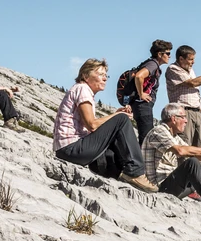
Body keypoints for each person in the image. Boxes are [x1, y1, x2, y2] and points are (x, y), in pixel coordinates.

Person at [52, 59, 158, 192]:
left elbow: (92, 126)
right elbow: (92, 125)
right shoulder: (82, 89)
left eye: (106, 75)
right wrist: (117, 116)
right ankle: (135, 172)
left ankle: (119, 175)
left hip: (69, 149)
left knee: (116, 128)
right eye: (100, 74)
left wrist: (114, 116)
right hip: (71, 149)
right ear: (85, 76)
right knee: (121, 120)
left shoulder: (81, 90)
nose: (105, 78)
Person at [141, 103, 201, 215]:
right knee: (192, 163)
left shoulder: (174, 137)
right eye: (183, 117)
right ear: (174, 118)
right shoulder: (159, 131)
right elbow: (181, 151)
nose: (186, 121)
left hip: (173, 186)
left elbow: (195, 154)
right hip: (160, 188)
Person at [128, 40, 172, 144]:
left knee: (145, 137)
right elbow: (139, 76)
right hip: (143, 105)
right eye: (168, 53)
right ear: (160, 54)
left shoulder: (151, 63)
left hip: (140, 105)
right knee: (146, 139)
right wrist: (141, 94)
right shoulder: (153, 64)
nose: (169, 56)